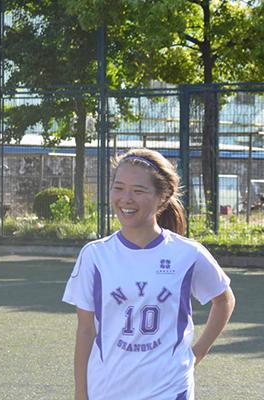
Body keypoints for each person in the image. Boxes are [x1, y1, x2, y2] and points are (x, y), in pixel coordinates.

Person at [63, 149, 235, 400]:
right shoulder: (95, 256)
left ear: (162, 197)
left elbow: (224, 300)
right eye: (119, 188)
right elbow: (86, 330)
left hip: (169, 389)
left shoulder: (187, 253)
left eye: (138, 191)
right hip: (107, 390)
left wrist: (197, 352)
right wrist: (81, 394)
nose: (126, 199)